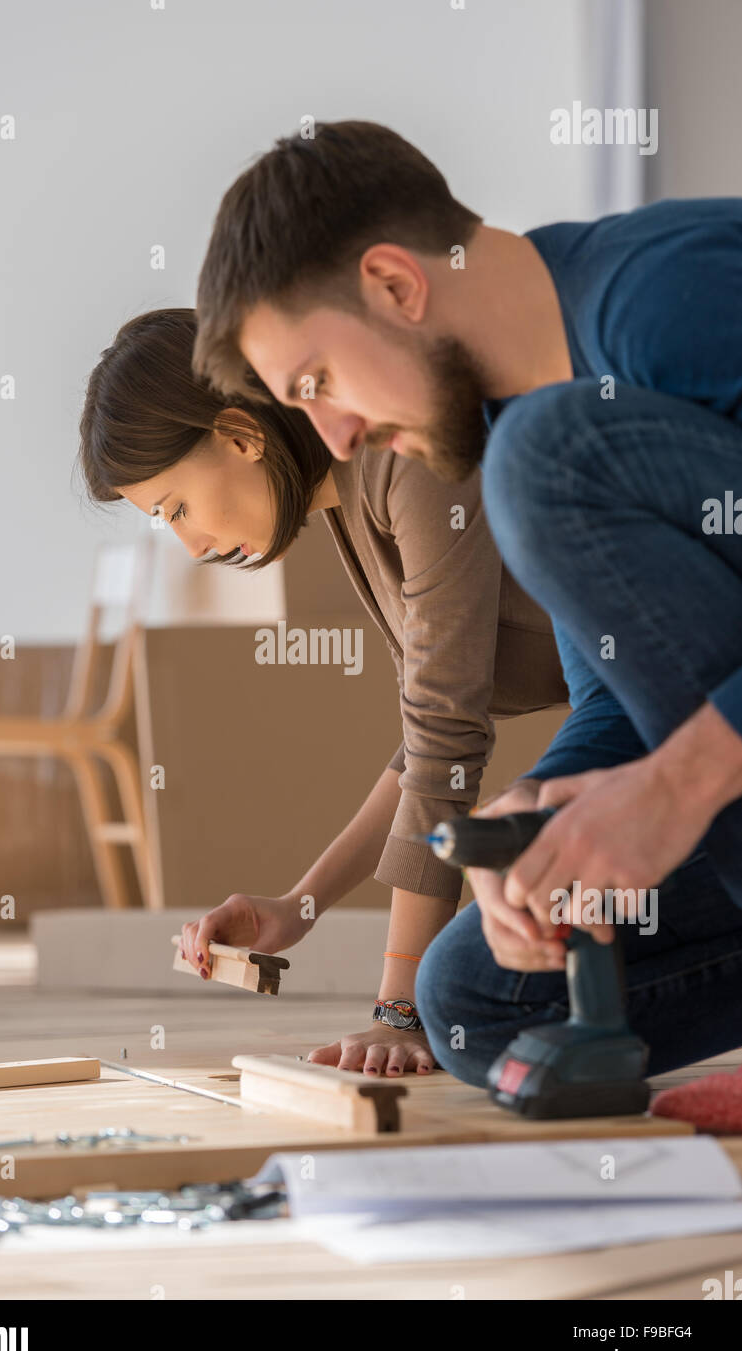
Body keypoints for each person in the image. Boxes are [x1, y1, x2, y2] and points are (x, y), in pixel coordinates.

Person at [192, 119, 742, 1084]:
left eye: (316, 381)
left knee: (543, 461)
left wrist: (675, 785)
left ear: (396, 285)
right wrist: (535, 817)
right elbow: (618, 697)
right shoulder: (515, 435)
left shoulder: (661, 298)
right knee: (474, 1001)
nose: (334, 435)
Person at [78, 306, 567, 1076]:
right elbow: (423, 743)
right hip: (639, 716)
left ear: (240, 436)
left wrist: (399, 1010)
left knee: (462, 995)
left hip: (688, 711)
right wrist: (297, 907)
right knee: (476, 976)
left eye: (176, 509)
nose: (192, 544)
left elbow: (447, 738)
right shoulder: (339, 492)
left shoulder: (400, 454)